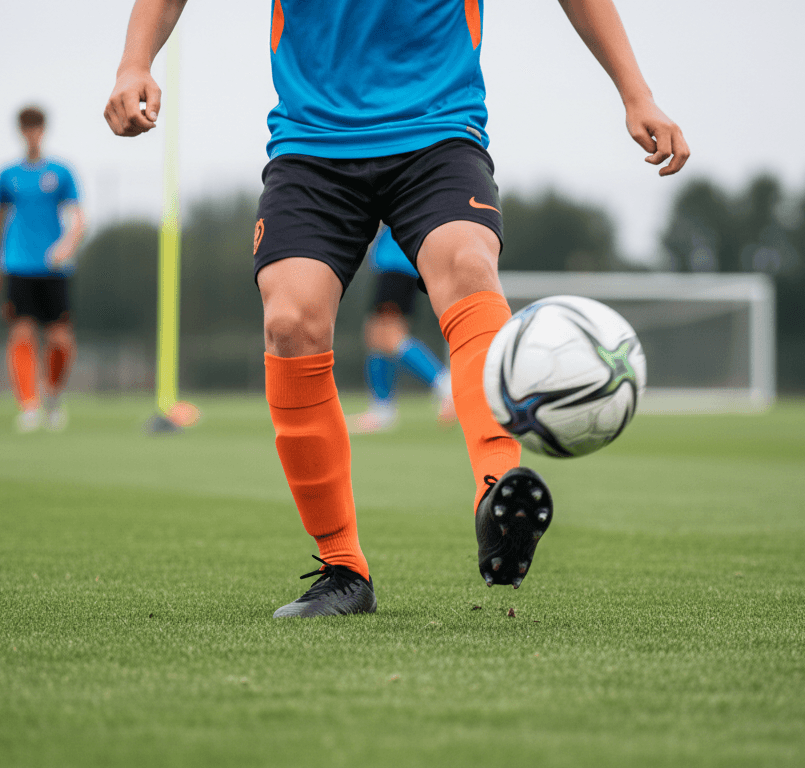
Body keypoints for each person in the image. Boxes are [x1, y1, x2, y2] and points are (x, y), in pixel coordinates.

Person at [105, 0, 688, 615]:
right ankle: (343, 569)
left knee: (466, 266)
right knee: (288, 322)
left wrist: (636, 92)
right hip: (313, 139)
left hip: (438, 132)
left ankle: (498, 495)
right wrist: (133, 63)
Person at [0, 106, 87, 433]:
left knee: (60, 341)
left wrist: (67, 245)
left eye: (37, 127)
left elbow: (78, 218)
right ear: (20, 131)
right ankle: (28, 405)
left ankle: (53, 394)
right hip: (17, 265)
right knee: (22, 334)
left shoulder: (61, 172)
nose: (32, 133)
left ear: (44, 130)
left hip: (54, 268)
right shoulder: (7, 175)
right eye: (26, 127)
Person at [348, 226, 455, 434]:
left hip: (397, 261)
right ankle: (382, 411)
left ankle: (446, 386)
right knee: (376, 336)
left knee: (388, 336)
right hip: (399, 261)